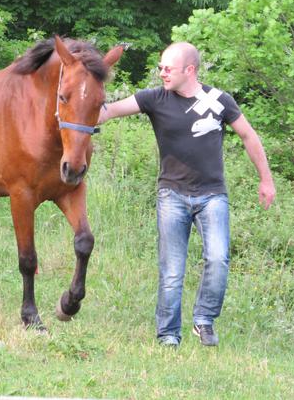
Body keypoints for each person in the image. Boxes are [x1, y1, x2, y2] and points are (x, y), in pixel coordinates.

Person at [98, 42, 276, 347]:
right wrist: (79, 97)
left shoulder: (219, 100)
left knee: (218, 259)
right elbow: (107, 112)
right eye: (161, 68)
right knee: (171, 270)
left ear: (189, 70)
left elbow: (248, 135)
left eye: (168, 68)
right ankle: (168, 335)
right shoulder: (154, 98)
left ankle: (204, 320)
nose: (162, 73)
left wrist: (266, 180)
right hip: (172, 196)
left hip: (212, 195)